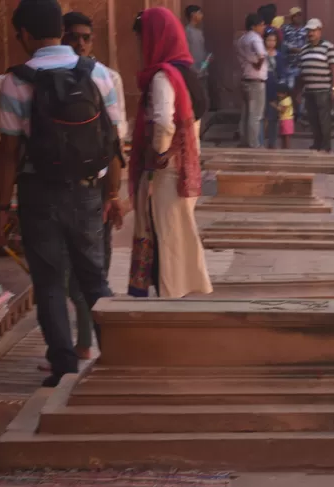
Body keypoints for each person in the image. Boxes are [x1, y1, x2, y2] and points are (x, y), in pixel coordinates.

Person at [0, 0, 124, 387]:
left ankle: (64, 366)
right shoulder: (100, 74)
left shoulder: (17, 81)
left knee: (49, 282)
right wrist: (114, 194)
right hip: (87, 191)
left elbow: (8, 151)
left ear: (23, 34)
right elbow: (114, 141)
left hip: (38, 194)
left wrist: (2, 207)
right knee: (95, 279)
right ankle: (118, 359)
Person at [128, 7, 211, 301]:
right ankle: (176, 299)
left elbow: (164, 121)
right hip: (186, 169)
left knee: (168, 240)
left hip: (167, 172)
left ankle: (169, 303)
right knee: (177, 237)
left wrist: (157, 153)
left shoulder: (163, 77)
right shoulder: (187, 75)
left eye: (142, 39)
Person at [59, 10, 128, 364]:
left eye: (86, 37)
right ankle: (86, 341)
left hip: (96, 184)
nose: (80, 43)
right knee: (75, 272)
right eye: (73, 36)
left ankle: (90, 342)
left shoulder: (107, 77)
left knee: (91, 269)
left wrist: (114, 194)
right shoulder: (46, 78)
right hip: (58, 186)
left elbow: (118, 139)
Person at [298, 18, 334, 152]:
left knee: (324, 119)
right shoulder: (303, 49)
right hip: (308, 90)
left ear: (320, 31)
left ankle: (326, 145)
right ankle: (317, 142)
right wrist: (299, 91)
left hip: (323, 90)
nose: (311, 33)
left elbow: (333, 68)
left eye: (313, 30)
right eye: (309, 31)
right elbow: (301, 71)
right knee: (313, 119)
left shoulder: (328, 46)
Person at [236, 13, 267, 148]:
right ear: (254, 26)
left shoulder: (242, 39)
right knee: (255, 115)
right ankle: (253, 144)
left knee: (246, 113)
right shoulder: (256, 38)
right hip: (256, 80)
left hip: (245, 79)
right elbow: (261, 55)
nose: (263, 27)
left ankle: (244, 141)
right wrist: (258, 64)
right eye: (261, 25)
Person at [263, 28, 288, 149]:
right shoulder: (261, 54)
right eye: (269, 40)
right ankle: (260, 141)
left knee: (273, 117)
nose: (271, 43)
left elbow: (282, 73)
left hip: (275, 88)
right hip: (263, 87)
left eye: (274, 40)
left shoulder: (279, 56)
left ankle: (272, 143)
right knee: (262, 116)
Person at [282, 7, 307, 120]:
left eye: (300, 15)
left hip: (301, 65)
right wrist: (293, 49)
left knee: (301, 91)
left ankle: (299, 114)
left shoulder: (304, 30)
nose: (298, 17)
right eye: (296, 15)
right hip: (289, 65)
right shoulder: (285, 29)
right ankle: (289, 113)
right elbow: (282, 44)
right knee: (289, 89)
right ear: (292, 17)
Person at [184, 5, 209, 75]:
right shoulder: (187, 32)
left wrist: (205, 65)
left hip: (202, 71)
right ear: (193, 14)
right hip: (193, 72)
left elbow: (202, 52)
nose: (202, 15)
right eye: (200, 13)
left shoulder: (199, 32)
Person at [274, 84, 294, 149]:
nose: (278, 95)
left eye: (280, 93)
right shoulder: (283, 100)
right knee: (283, 135)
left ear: (285, 93)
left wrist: (274, 106)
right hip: (283, 119)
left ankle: (287, 148)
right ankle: (283, 148)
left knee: (286, 136)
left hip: (287, 120)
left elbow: (282, 110)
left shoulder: (287, 100)